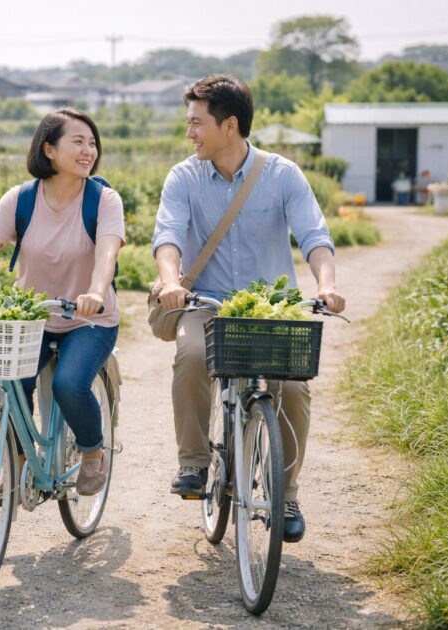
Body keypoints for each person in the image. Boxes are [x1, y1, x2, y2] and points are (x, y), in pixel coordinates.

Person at [152, 75, 346, 542]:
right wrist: (171, 282)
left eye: (197, 123)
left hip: (270, 309)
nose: (190, 133)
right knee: (193, 355)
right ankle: (195, 463)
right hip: (208, 304)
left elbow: (314, 237)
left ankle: (287, 491)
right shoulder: (183, 177)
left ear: (230, 124)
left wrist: (327, 284)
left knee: (294, 389)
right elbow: (169, 236)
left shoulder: (283, 175)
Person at [0, 108, 124, 496]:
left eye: (92, 143)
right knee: (12, 382)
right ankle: (15, 462)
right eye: (77, 141)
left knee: (69, 383)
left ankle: (92, 452)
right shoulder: (22, 199)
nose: (89, 151)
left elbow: (107, 253)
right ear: (48, 149)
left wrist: (96, 292)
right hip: (35, 318)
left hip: (89, 320)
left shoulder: (103, 200)